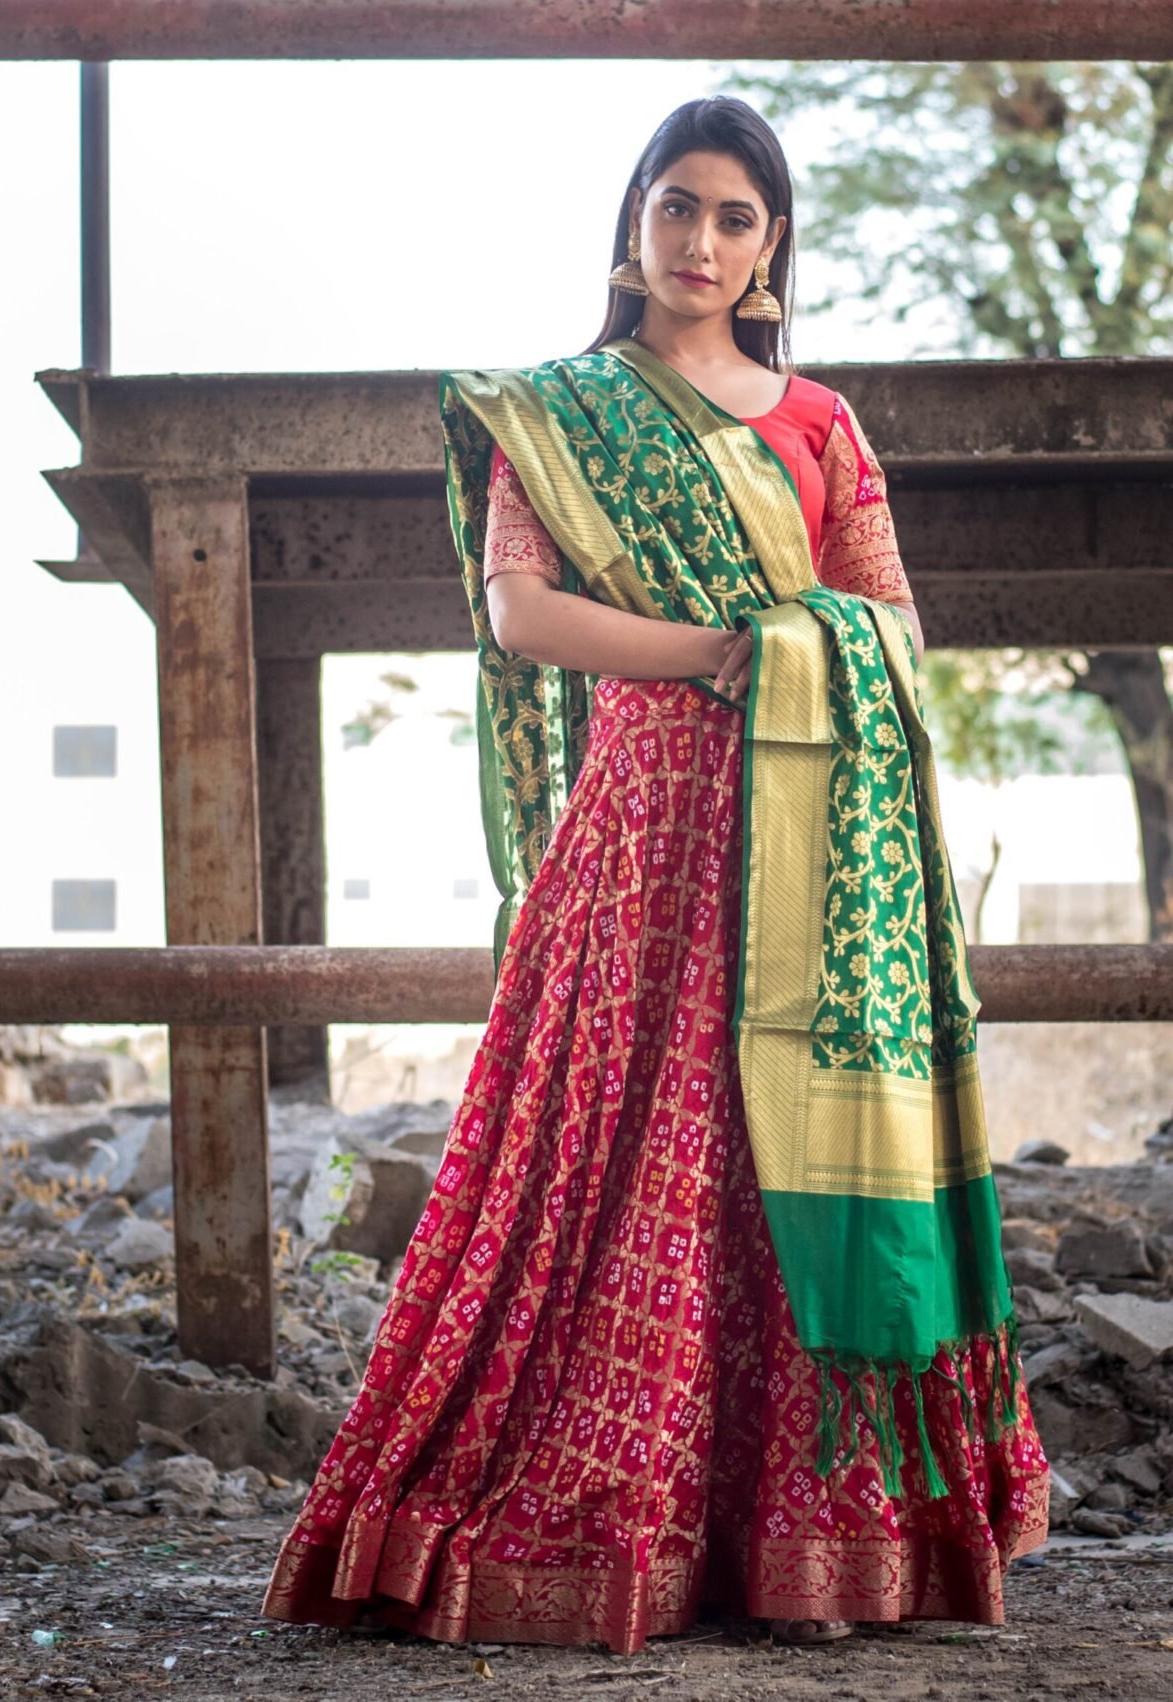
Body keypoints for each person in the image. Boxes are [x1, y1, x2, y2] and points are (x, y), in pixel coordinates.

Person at [261, 94, 1048, 1655]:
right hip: (643, 839)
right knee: (621, 1147)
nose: (700, 240)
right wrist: (734, 658)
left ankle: (818, 1537)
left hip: (817, 841)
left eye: (734, 218)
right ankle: (606, 1515)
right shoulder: (558, 414)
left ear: (770, 252)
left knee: (786, 1158)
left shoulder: (820, 423)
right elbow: (521, 617)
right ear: (633, 224)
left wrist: (789, 664)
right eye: (676, 206)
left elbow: (892, 628)